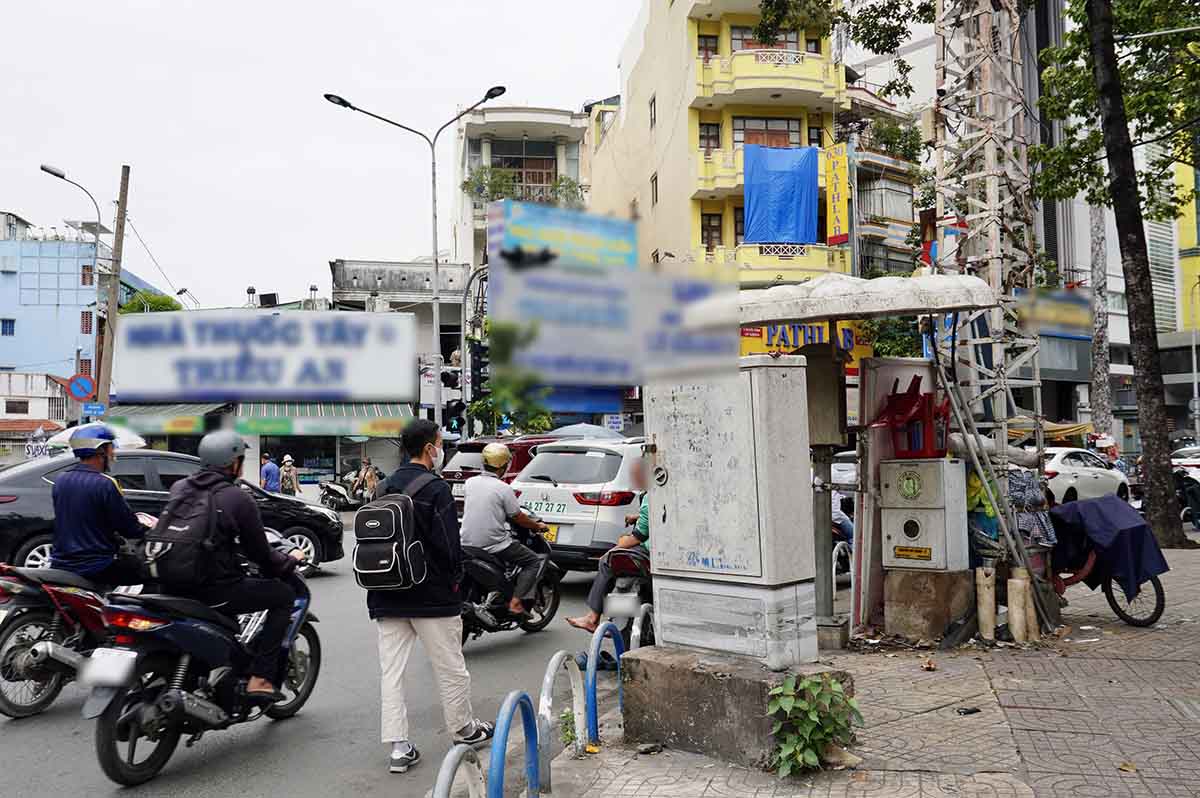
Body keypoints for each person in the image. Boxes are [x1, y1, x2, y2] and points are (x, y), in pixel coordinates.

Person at [371, 419, 495, 774]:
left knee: (391, 673)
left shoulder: (383, 486)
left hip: (386, 593)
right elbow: (448, 546)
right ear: (429, 448)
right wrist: (456, 583)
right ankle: (464, 730)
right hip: (432, 597)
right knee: (451, 667)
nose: (441, 449)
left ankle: (398, 748)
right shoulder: (436, 489)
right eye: (440, 443)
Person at [164, 430, 303, 700]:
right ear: (233, 463)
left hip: (172, 584)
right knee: (283, 596)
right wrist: (288, 562)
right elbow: (262, 554)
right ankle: (261, 678)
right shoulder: (238, 498)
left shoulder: (179, 488)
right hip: (214, 589)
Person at [459, 443, 551, 616]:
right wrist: (537, 525)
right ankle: (515, 603)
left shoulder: (469, 483)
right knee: (532, 562)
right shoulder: (503, 488)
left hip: (466, 541)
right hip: (493, 544)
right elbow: (517, 517)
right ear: (504, 465)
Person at [49, 423, 147, 584]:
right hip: (97, 565)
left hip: (61, 563)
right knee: (149, 574)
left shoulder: (61, 479)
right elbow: (128, 527)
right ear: (101, 451)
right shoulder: (106, 483)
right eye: (111, 448)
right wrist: (145, 529)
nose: (113, 453)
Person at [566, 458, 650, 633]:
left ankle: (592, 617)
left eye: (636, 475)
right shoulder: (654, 495)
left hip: (647, 550)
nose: (633, 479)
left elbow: (638, 536)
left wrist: (613, 550)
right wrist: (637, 518)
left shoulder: (650, 497)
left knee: (607, 561)